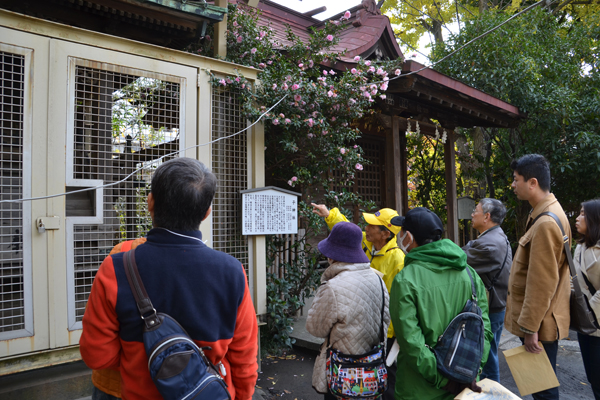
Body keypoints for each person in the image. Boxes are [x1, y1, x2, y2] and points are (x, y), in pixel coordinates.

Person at [80, 158, 258, 400]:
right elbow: (244, 358)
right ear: (206, 213)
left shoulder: (117, 266)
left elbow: (96, 356)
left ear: (150, 202)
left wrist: (140, 360)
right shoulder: (232, 272)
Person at [389, 207, 492, 400]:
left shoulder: (405, 280)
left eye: (401, 231)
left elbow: (411, 342)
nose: (399, 235)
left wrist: (443, 380)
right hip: (463, 387)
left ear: (409, 237)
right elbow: (484, 330)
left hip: (418, 389)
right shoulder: (470, 274)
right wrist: (470, 372)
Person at [311, 203, 404, 400]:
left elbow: (396, 301)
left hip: (382, 331)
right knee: (356, 371)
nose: (366, 228)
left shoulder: (398, 260)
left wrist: (390, 332)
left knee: (382, 374)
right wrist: (329, 214)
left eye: (372, 225)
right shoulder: (366, 244)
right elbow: (345, 232)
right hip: (355, 322)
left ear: (385, 234)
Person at [505, 154, 570, 400]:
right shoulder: (548, 212)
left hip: (539, 324)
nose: (513, 185)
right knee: (541, 386)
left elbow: (541, 283)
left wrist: (530, 328)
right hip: (540, 320)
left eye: (516, 179)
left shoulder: (545, 222)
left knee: (542, 390)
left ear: (532, 182)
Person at [462, 198, 512, 383]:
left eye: (476, 210)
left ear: (487, 216)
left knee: (488, 362)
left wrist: (468, 246)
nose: (473, 214)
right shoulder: (496, 236)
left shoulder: (490, 244)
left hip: (490, 309)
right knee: (488, 355)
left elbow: (462, 257)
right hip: (496, 306)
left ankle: (493, 394)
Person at [574, 199, 600, 399]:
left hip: (596, 323)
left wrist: (589, 310)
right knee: (593, 378)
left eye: (583, 213)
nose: (577, 218)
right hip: (586, 326)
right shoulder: (580, 247)